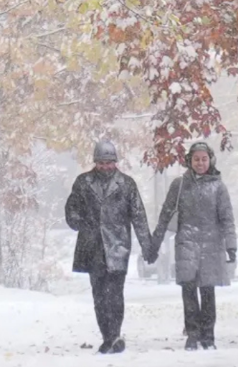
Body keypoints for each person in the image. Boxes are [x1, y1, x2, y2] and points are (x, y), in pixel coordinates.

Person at [65, 140, 154, 354]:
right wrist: (81, 223)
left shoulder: (127, 184)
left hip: (117, 246)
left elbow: (139, 216)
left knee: (115, 294)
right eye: (102, 162)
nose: (105, 166)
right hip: (92, 246)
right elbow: (71, 209)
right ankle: (108, 336)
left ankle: (114, 335)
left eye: (109, 162)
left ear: (115, 162)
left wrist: (147, 245)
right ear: (95, 162)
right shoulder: (83, 182)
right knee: (99, 296)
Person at [149, 142, 236, 351]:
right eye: (196, 159)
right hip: (186, 243)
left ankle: (209, 336)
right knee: (188, 291)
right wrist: (154, 243)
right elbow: (165, 215)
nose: (200, 163)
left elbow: (227, 218)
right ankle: (192, 335)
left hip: (212, 245)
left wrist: (231, 246)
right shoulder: (178, 185)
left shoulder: (218, 187)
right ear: (190, 161)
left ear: (210, 160)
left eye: (204, 159)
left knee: (208, 292)